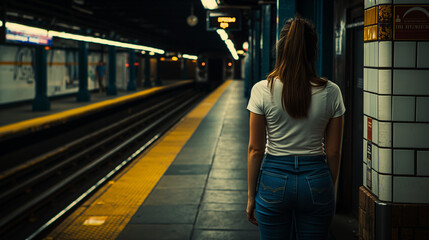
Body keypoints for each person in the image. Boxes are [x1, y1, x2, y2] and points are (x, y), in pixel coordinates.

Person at [246, 16, 345, 240]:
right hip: (317, 178)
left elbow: (255, 150)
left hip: (273, 178)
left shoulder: (262, 90)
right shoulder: (331, 91)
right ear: (313, 50)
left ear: (280, 49)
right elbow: (333, 152)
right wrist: (327, 189)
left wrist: (252, 196)